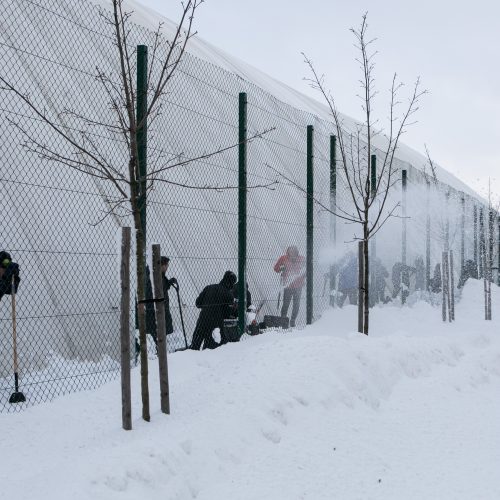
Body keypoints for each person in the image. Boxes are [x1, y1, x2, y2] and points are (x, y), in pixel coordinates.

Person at [190, 270, 237, 350]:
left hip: (203, 320)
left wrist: (208, 307)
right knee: (211, 349)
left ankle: (192, 359)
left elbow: (198, 303)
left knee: (195, 346)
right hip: (217, 325)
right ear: (231, 283)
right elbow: (227, 314)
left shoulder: (209, 287)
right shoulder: (229, 295)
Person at [274, 246, 305, 327]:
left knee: (296, 304)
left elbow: (307, 269)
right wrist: (281, 268)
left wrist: (303, 276)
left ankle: (292, 321)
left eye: (294, 252)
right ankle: (283, 321)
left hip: (298, 286)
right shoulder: (283, 258)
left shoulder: (302, 259)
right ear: (288, 252)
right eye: (290, 252)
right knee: (286, 304)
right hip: (287, 286)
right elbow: (276, 268)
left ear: (297, 252)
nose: (292, 254)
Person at [160, 256, 177, 336]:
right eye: (167, 265)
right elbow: (161, 289)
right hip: (161, 306)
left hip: (164, 305)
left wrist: (169, 282)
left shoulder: (161, 275)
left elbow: (164, 287)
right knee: (167, 326)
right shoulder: (158, 275)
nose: (167, 267)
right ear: (163, 265)